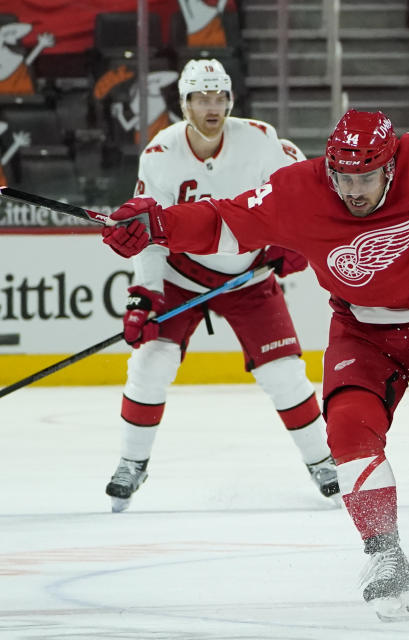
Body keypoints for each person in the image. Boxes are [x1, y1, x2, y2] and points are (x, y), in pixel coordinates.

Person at [101, 109, 409, 620]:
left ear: (391, 168)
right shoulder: (300, 189)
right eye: (343, 178)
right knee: (349, 435)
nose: (353, 190)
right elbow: (225, 220)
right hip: (360, 330)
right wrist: (157, 225)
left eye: (366, 178)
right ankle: (385, 556)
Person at [103, 59, 339, 513]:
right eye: (201, 98)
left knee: (285, 374)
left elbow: (308, 190)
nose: (212, 107)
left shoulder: (262, 140)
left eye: (220, 98)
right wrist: (144, 298)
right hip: (181, 276)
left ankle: (323, 461)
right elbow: (149, 236)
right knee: (151, 362)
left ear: (231, 100)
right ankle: (132, 462)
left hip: (250, 275)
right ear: (183, 103)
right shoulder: (160, 154)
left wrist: (296, 241)